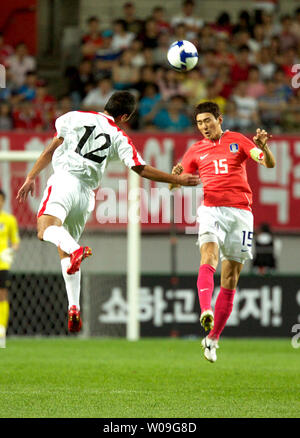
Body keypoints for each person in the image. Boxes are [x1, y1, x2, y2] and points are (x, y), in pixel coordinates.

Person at [16, 91, 199, 334]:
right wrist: (177, 179)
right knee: (65, 247)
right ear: (125, 116)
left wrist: (31, 177)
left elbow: (51, 149)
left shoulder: (74, 117)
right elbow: (140, 168)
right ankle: (74, 307)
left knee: (46, 229)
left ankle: (76, 251)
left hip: (65, 181)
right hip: (86, 196)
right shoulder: (119, 135)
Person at [169, 101, 275, 363]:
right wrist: (175, 179)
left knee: (230, 278)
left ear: (220, 119)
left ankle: (212, 337)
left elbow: (267, 163)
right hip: (211, 210)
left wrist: (264, 148)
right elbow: (177, 184)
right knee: (208, 256)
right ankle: (206, 310)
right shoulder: (194, 151)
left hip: (240, 214)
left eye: (208, 120)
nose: (204, 126)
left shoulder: (237, 141)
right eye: (200, 123)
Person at [0, 190, 20, 348]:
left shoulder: (9, 220)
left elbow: (15, 241)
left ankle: (1, 332)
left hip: (2, 264)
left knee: (2, 296)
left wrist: (10, 251)